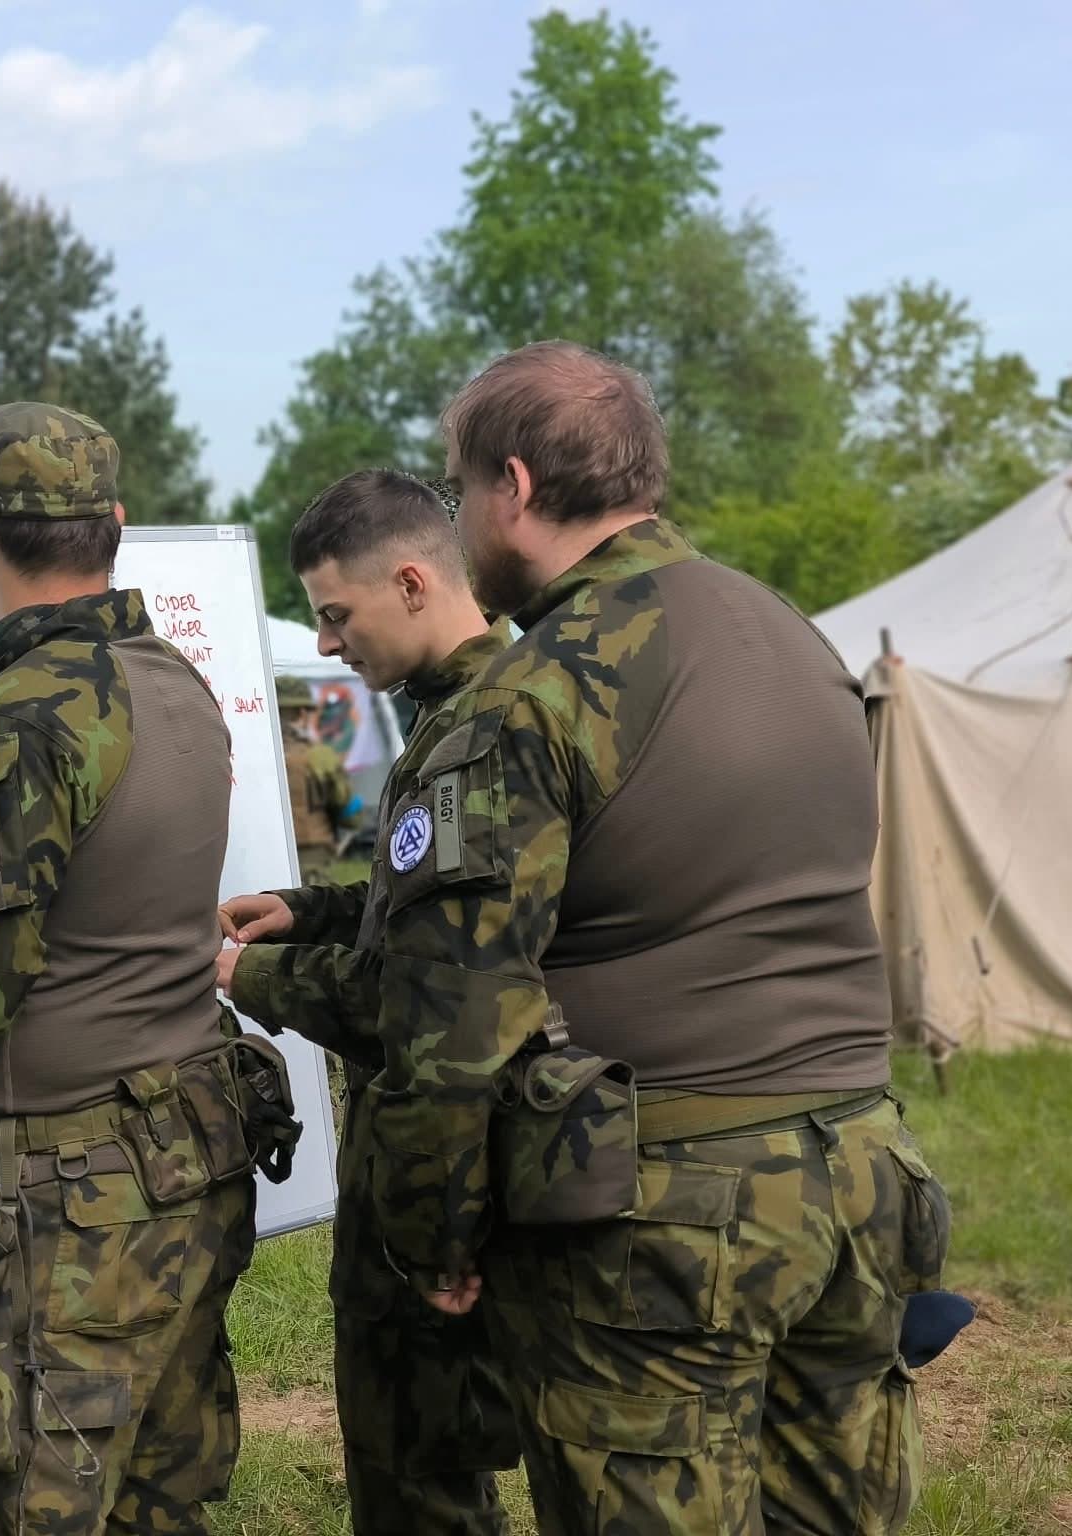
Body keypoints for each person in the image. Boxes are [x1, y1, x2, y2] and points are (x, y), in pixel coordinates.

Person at [306, 344, 948, 1534]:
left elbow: (455, 1018)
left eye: (460, 496)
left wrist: (434, 1236)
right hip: (861, 1175)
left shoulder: (533, 692)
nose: (459, 526)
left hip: (670, 1216)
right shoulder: (787, 636)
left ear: (511, 485)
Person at [0, 402, 277, 1536]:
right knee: (154, 1505)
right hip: (181, 1164)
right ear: (115, 525)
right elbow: (76, 773)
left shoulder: (14, 723)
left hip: (65, 1217)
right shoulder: (167, 677)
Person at [214, 469, 518, 1536]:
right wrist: (311, 910)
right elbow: (427, 907)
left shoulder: (481, 734)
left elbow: (421, 1002)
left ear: (410, 581)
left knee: (417, 1480)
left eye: (336, 616)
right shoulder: (461, 713)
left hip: (437, 1177)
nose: (329, 644)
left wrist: (247, 977)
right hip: (438, 1168)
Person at [277, 676, 358, 881]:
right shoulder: (320, 755)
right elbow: (349, 811)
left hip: (263, 854)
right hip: (312, 855)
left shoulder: (251, 754)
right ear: (303, 713)